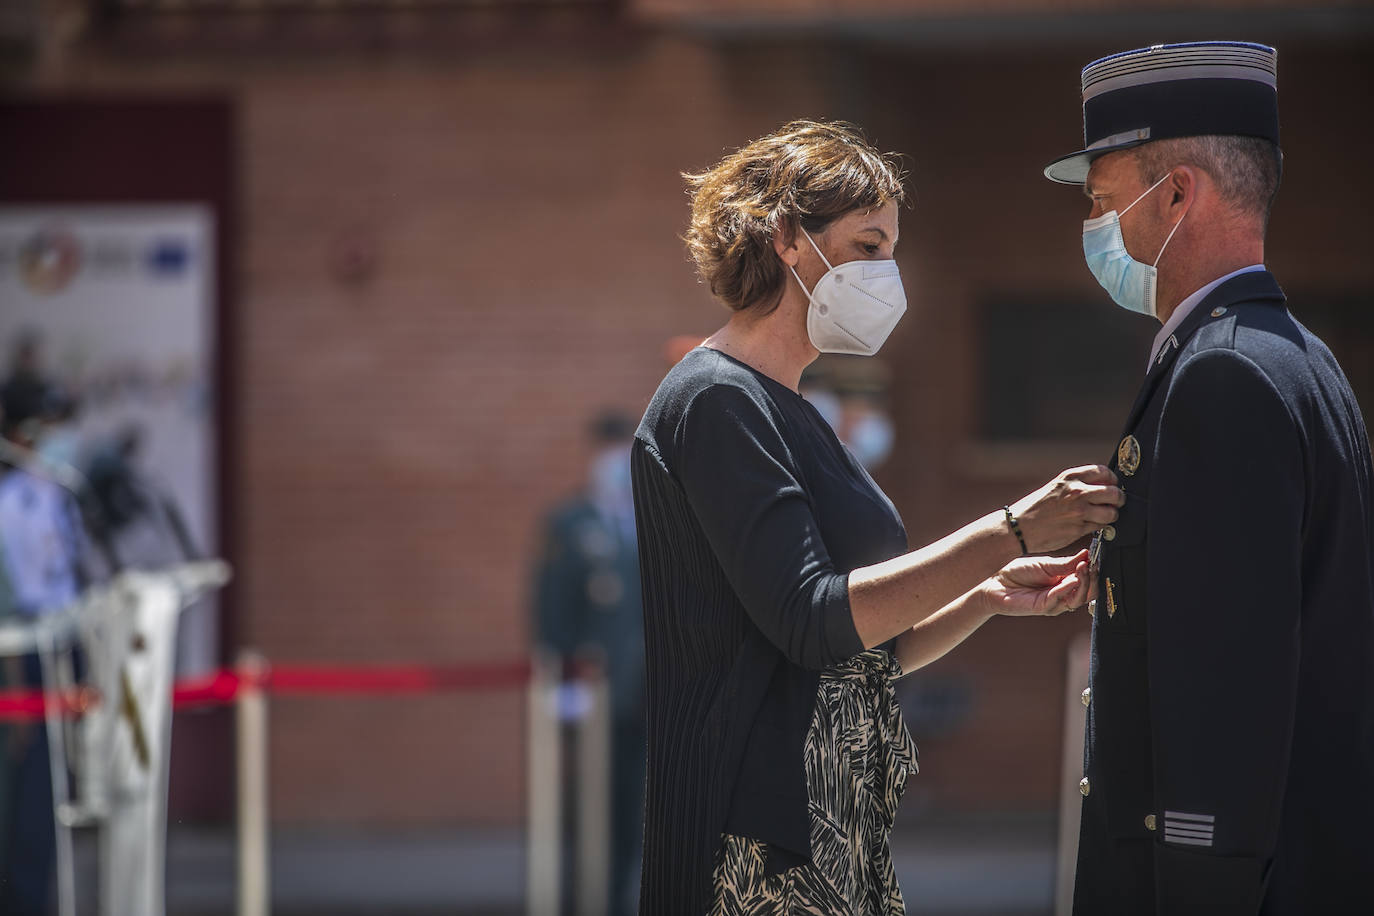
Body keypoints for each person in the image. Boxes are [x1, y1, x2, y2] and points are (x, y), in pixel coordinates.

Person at [632, 119, 1124, 915]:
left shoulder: (789, 407)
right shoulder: (717, 400)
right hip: (760, 849)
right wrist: (1012, 528)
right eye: (867, 246)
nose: (886, 272)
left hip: (837, 826)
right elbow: (811, 618)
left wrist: (987, 594)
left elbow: (863, 648)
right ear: (789, 238)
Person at [1042, 42, 1374, 914]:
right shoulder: (1297, 358)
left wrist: (1200, 881)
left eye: (1106, 203)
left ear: (1179, 194)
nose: (1097, 230)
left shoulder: (1222, 374)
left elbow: (1224, 685)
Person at [532, 410, 644, 915]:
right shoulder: (570, 523)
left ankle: (624, 898)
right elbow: (550, 608)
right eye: (612, 449)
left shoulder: (655, 520)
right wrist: (561, 682)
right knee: (586, 807)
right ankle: (578, 900)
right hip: (594, 696)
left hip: (648, 696)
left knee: (636, 810)